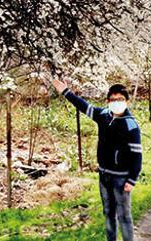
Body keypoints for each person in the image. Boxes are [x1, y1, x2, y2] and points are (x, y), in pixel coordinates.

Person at [51, 79, 142, 241]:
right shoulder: (103, 116)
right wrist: (66, 92)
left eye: (120, 100)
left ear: (127, 102)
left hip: (121, 179)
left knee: (124, 215)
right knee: (108, 213)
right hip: (104, 175)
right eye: (113, 100)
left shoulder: (131, 124)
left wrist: (132, 180)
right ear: (107, 101)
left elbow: (137, 155)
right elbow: (83, 106)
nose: (117, 103)